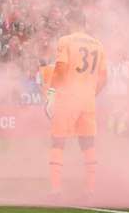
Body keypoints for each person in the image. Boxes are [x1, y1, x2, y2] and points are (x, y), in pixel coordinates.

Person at [45, 10, 108, 197]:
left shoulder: (66, 41)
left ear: (71, 22)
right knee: (88, 143)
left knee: (58, 141)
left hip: (67, 96)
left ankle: (55, 189)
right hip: (88, 99)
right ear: (85, 23)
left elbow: (61, 69)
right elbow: (104, 78)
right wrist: (90, 94)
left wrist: (51, 93)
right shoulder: (98, 45)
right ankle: (90, 189)